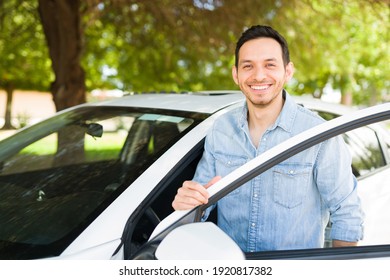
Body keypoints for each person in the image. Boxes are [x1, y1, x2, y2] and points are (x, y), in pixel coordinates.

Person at [172, 25, 364, 252]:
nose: (259, 75)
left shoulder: (318, 134)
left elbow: (347, 214)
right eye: (248, 66)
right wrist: (188, 205)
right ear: (236, 74)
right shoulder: (220, 130)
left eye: (270, 65)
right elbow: (200, 207)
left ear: (288, 71)